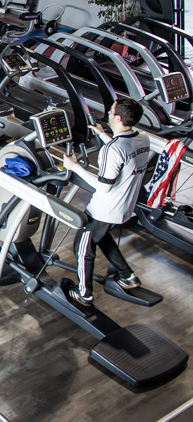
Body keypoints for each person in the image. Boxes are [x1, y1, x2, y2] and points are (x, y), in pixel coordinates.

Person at [62, 98, 150, 307]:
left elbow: (104, 186)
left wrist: (74, 167)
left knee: (83, 248)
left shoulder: (112, 149)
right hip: (124, 207)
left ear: (118, 118)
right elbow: (124, 149)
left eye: (111, 111)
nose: (108, 113)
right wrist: (102, 135)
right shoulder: (142, 138)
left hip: (103, 210)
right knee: (102, 238)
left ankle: (84, 294)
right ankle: (127, 276)